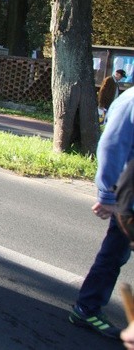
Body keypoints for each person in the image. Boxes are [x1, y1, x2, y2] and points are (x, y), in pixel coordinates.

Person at [69, 81, 134, 340]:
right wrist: (108, 194)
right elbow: (111, 146)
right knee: (114, 255)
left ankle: (87, 306)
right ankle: (86, 307)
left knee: (115, 254)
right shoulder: (131, 102)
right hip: (128, 198)